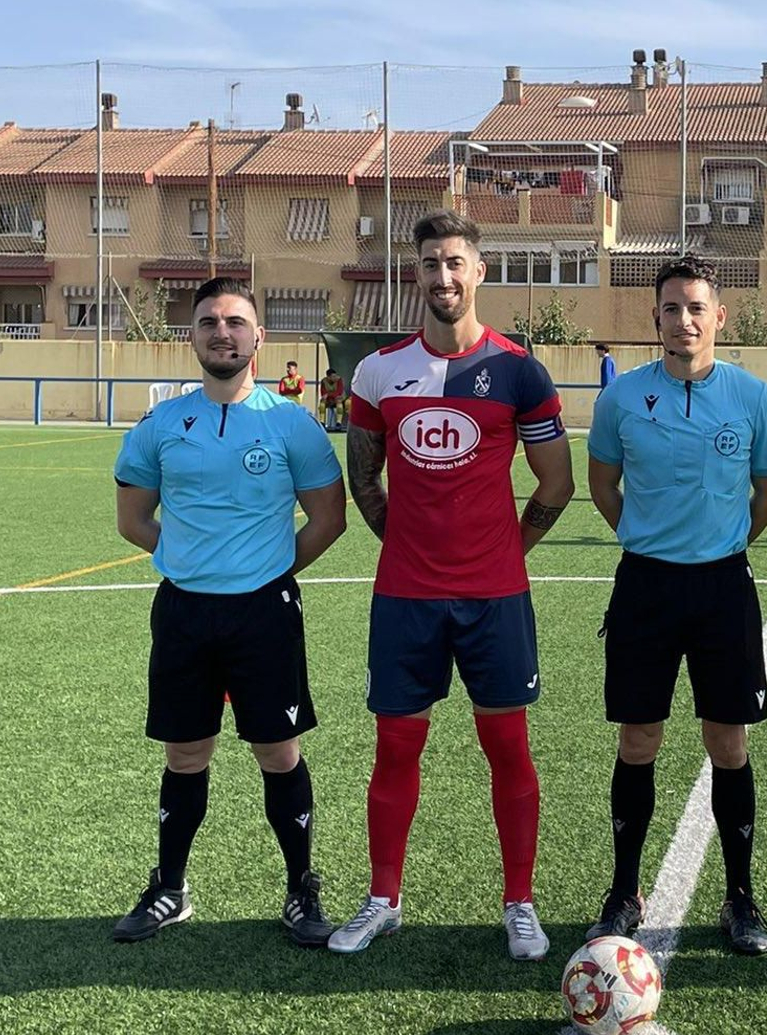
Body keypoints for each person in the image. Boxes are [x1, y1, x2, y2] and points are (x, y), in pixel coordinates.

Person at [330, 210, 574, 962]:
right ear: (418, 274)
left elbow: (557, 484)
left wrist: (507, 548)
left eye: (455, 263)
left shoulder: (520, 371)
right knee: (396, 747)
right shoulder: (378, 373)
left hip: (495, 597)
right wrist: (404, 542)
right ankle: (383, 899)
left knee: (508, 746)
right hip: (405, 597)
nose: (443, 277)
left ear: (479, 272)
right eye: (431, 263)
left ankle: (521, 904)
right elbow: (363, 477)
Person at [111, 277, 347, 946]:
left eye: (236, 321)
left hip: (264, 613)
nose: (223, 331)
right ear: (191, 335)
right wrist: (195, 559)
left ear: (258, 337)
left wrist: (262, 568)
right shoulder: (161, 424)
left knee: (278, 750)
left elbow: (329, 520)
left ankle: (301, 890)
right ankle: (170, 888)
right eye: (210, 320)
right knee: (185, 753)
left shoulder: (290, 422)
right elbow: (133, 520)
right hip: (184, 611)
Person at [585, 254, 767, 955]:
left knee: (727, 743)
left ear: (719, 317)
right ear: (656, 318)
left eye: (697, 308)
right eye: (672, 308)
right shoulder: (621, 398)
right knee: (638, 741)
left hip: (722, 587)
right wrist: (653, 542)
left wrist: (721, 543)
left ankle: (740, 898)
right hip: (646, 585)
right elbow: (604, 487)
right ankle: (623, 890)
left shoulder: (752, 396)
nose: (685, 320)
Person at [319, 367, 345, 432]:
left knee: (339, 404)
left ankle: (338, 423)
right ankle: (322, 422)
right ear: (328, 377)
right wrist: (327, 396)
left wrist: (328, 395)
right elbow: (323, 393)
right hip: (329, 399)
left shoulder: (339, 380)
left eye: (335, 376)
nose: (335, 378)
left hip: (338, 398)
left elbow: (339, 392)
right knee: (322, 404)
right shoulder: (323, 381)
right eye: (333, 376)